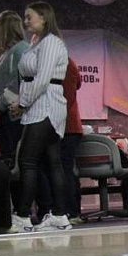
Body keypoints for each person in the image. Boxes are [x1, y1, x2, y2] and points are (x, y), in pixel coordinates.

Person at [10, 2, 71, 232]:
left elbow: (43, 78)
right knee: (51, 161)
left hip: (46, 106)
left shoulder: (52, 43)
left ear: (44, 18)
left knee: (27, 161)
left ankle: (24, 215)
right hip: (37, 106)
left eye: (29, 17)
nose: (26, 22)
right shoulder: (37, 43)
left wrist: (23, 103)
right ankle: (59, 214)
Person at [0, 12, 28, 174]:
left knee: (16, 165)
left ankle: (22, 200)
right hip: (3, 117)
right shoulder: (6, 54)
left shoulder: (20, 51)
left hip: (13, 117)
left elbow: (17, 86)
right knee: (8, 163)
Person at [60, 57, 83, 220]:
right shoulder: (70, 63)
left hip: (65, 126)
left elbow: (66, 98)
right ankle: (71, 210)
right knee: (66, 169)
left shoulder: (66, 64)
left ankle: (71, 210)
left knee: (65, 169)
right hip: (69, 125)